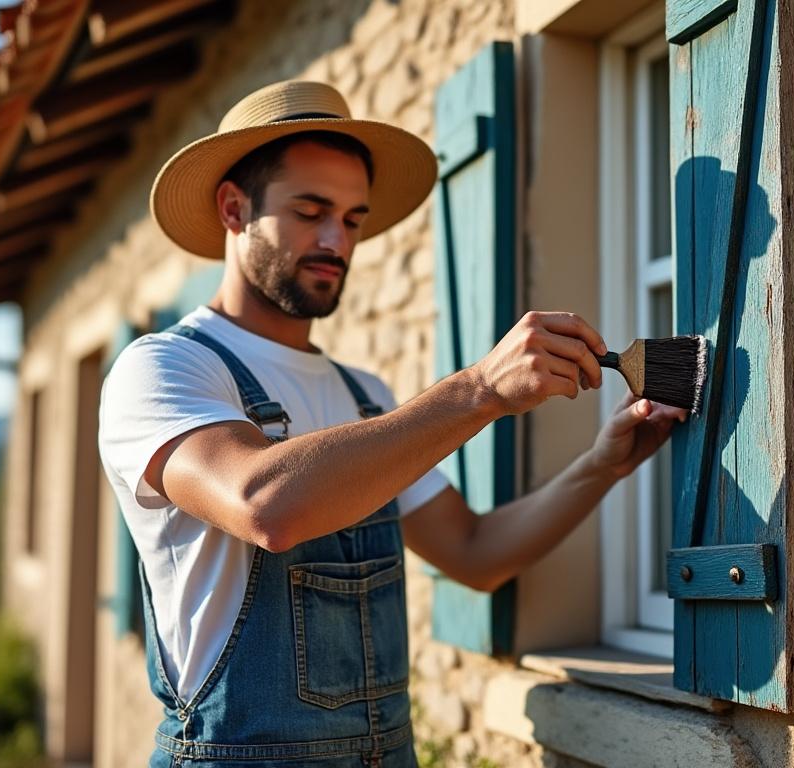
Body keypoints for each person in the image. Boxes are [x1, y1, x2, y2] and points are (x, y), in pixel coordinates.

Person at [98, 79, 685, 768]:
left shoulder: (364, 396)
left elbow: (474, 552)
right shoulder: (165, 370)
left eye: (352, 219)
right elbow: (265, 506)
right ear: (234, 209)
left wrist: (602, 466)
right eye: (310, 210)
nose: (335, 241)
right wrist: (479, 390)